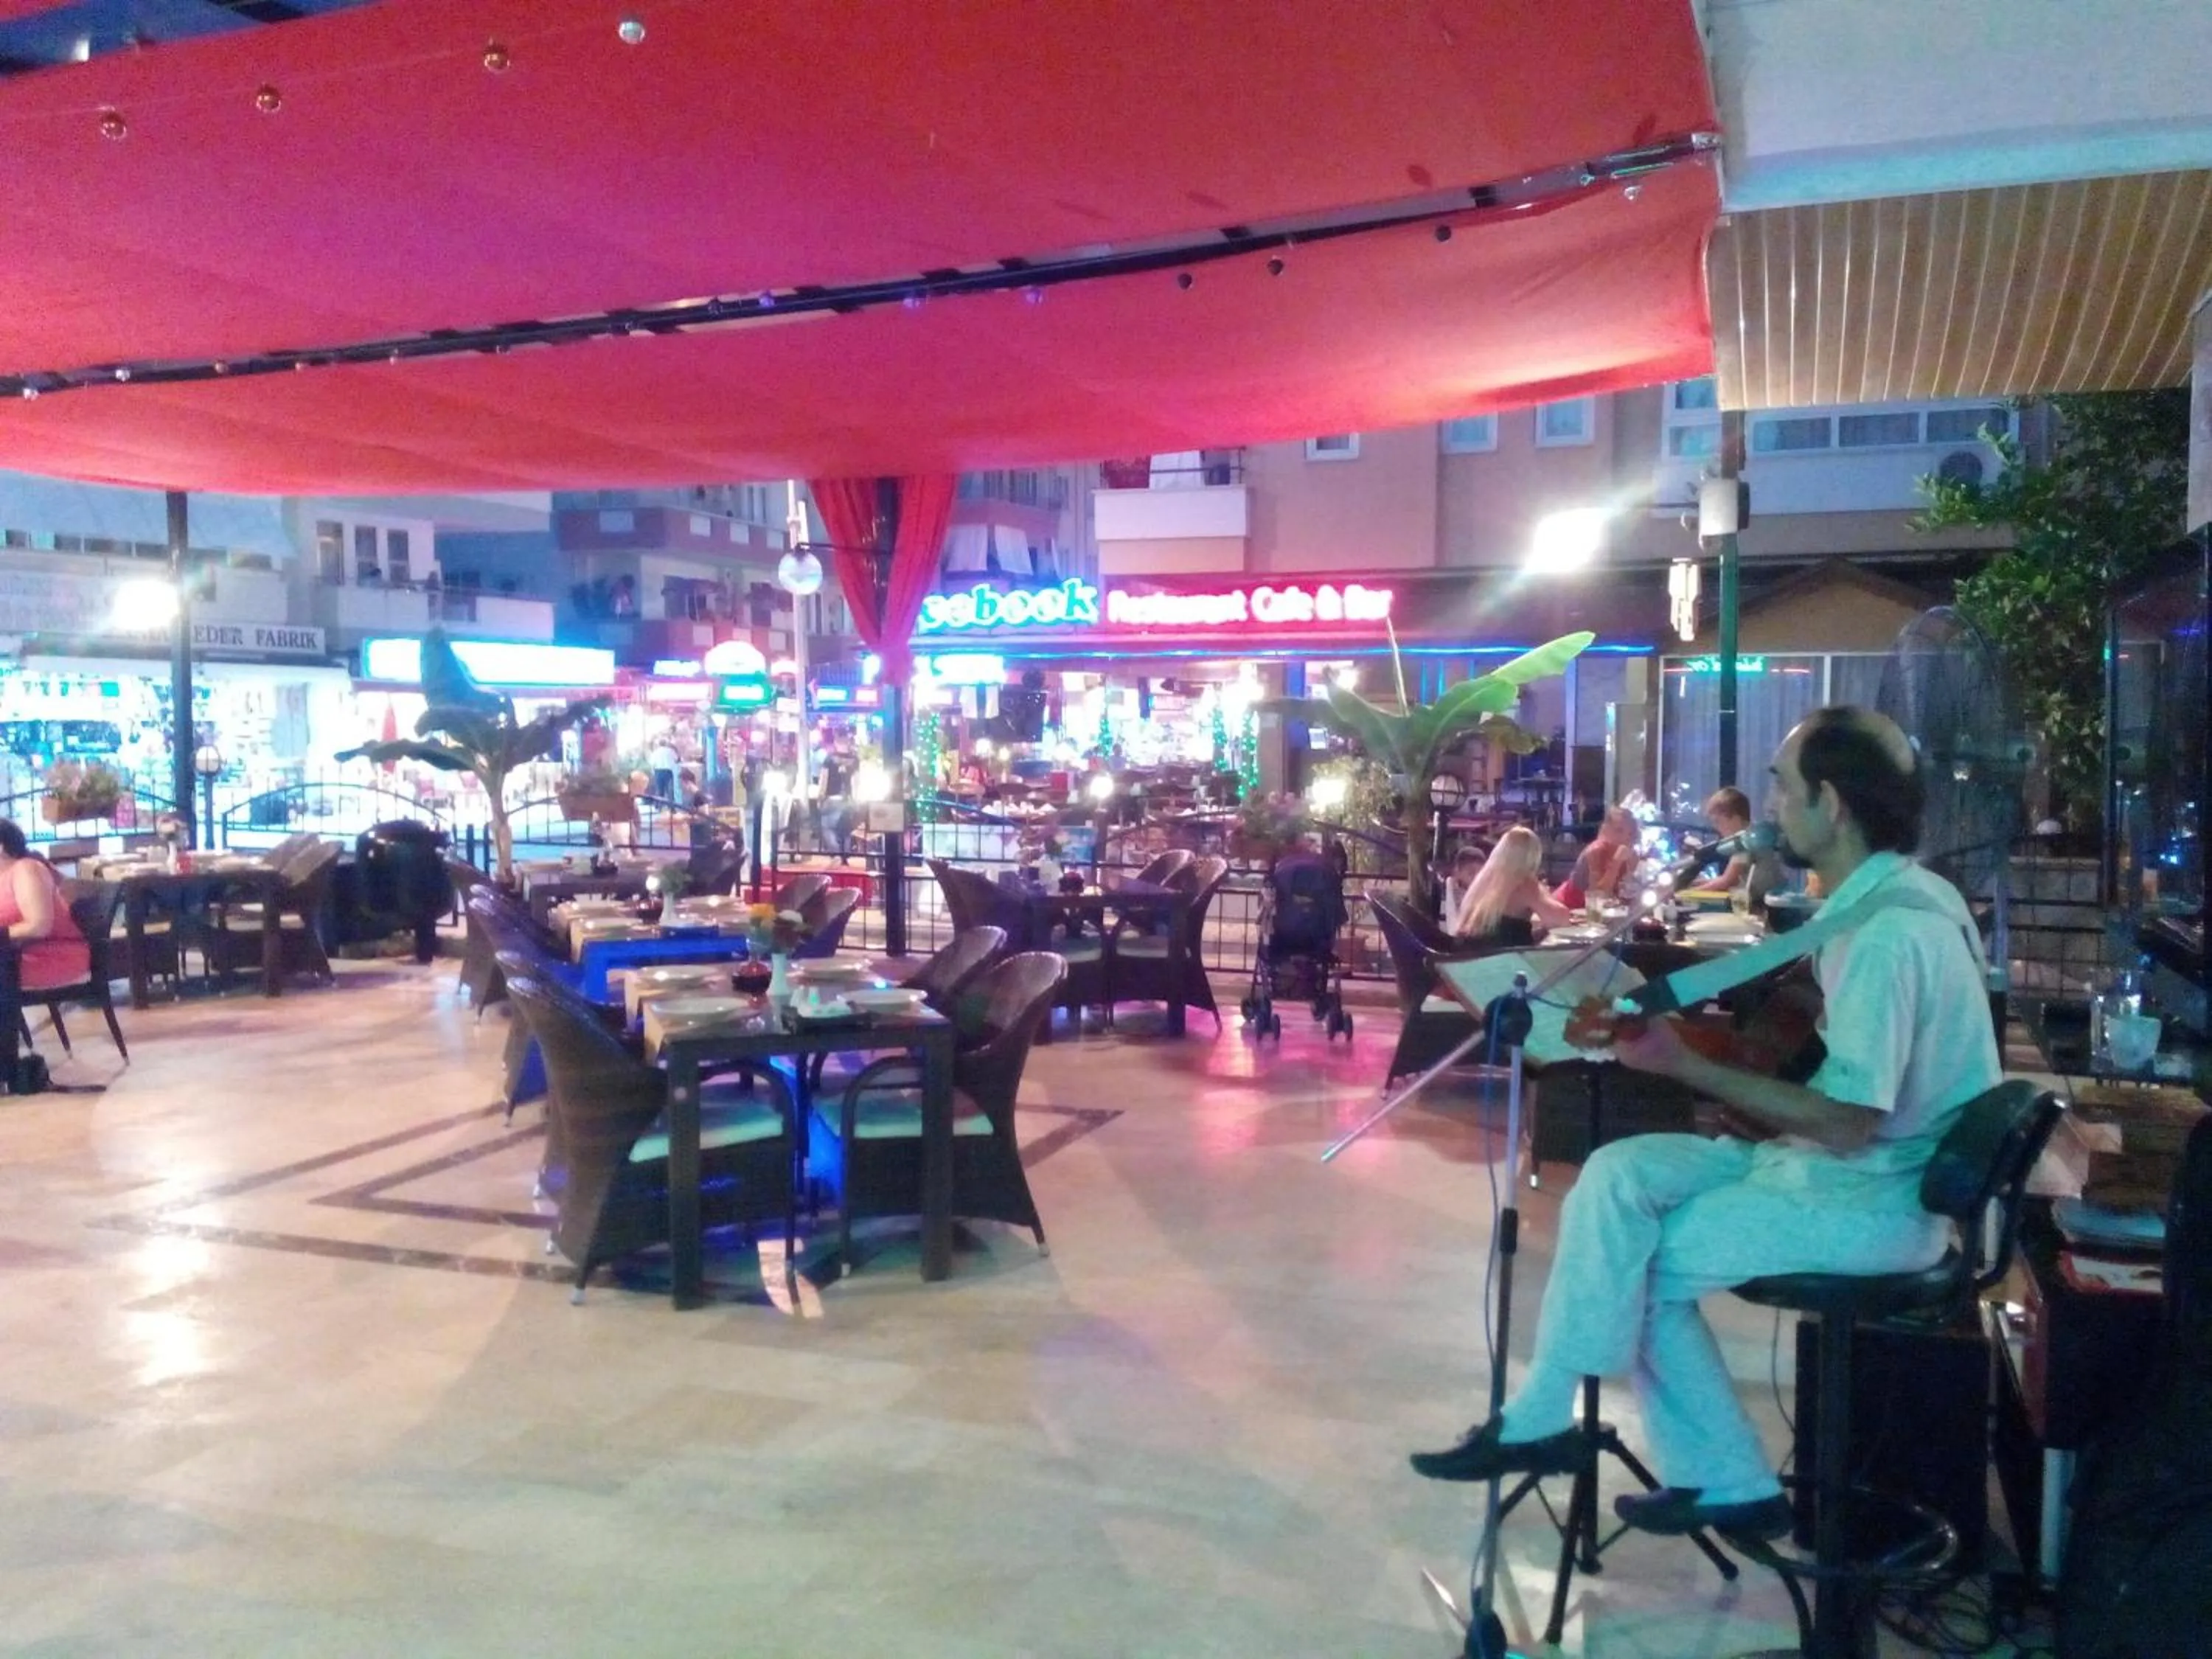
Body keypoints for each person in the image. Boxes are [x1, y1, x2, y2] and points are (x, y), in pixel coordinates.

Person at [1408, 708, 2000, 1541]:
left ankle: (1708, 1471)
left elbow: (1848, 1123)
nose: (1772, 810)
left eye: (1784, 790)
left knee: (1634, 1264)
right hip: (1838, 1170)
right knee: (1618, 1177)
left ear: (1830, 804)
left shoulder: (1887, 936)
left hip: (1877, 1199)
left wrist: (1684, 1064)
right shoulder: (1900, 897)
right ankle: (1568, 1420)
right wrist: (1670, 1045)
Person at [0, 818, 91, 993]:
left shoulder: (26, 869)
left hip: (49, 956)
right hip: (12, 956)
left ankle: (11, 1022)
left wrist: (2, 935)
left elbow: (39, 926)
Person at [1450, 825, 1573, 944]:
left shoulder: (1485, 878)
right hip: (1499, 961)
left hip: (1470, 956)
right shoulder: (1523, 881)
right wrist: (1543, 894)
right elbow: (1560, 920)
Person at [1703, 785, 1786, 902]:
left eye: (1718, 822)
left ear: (1735, 819)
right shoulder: (1751, 834)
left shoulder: (1745, 841)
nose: (1717, 828)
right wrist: (1701, 883)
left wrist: (1685, 893)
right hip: (1768, 896)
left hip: (1766, 903)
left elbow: (1728, 881)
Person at [1557, 805, 1639, 909]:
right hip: (1568, 907)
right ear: (1606, 829)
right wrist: (1616, 863)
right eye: (1619, 830)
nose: (1625, 837)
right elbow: (1598, 895)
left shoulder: (1631, 855)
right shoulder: (1595, 851)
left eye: (1630, 833)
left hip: (1601, 913)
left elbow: (1628, 892)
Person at [1441, 846, 1484, 926]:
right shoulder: (1454, 892)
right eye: (1471, 873)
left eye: (1480, 874)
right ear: (1457, 872)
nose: (1476, 878)